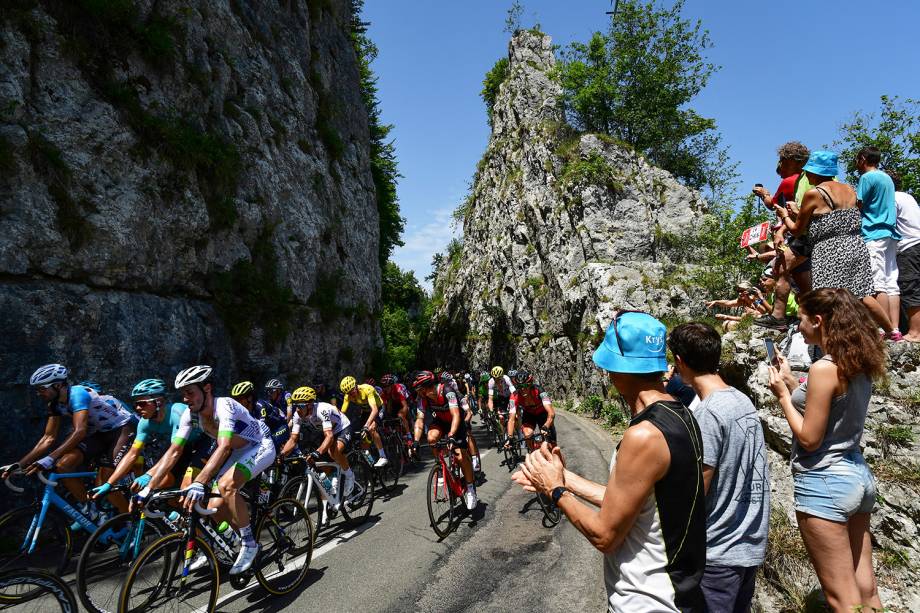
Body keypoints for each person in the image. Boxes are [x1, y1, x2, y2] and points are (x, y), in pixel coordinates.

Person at [513, 311, 706, 612]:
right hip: (676, 596)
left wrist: (555, 491)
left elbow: (605, 535)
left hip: (647, 602)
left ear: (620, 369)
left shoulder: (644, 436)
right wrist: (564, 477)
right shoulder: (680, 415)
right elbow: (629, 503)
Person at [767, 288, 885, 612]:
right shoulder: (856, 360)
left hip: (824, 482)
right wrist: (792, 383)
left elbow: (809, 438)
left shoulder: (823, 369)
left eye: (802, 319)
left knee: (841, 599)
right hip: (857, 477)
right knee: (866, 589)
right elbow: (829, 410)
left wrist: (780, 395)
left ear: (818, 320)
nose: (800, 326)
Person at [668, 323, 770, 612]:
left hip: (718, 553)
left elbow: (698, 488)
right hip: (747, 546)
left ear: (680, 361)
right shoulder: (742, 400)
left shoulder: (709, 414)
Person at [140, 365, 275, 575]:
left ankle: (250, 544)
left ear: (207, 389)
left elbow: (224, 446)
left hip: (260, 446)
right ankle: (235, 539)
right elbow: (174, 451)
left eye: (190, 392)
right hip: (239, 452)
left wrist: (199, 481)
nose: (185, 398)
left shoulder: (225, 407)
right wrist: (148, 487)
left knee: (226, 486)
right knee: (214, 506)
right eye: (183, 393)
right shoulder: (190, 414)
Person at [775, 150, 894, 334]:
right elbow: (832, 217)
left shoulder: (813, 193)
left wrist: (784, 215)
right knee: (864, 295)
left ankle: (833, 339)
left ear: (815, 172)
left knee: (827, 297)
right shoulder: (849, 189)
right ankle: (891, 331)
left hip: (829, 249)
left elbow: (797, 230)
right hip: (855, 245)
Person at [2, 364, 136, 514]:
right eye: (37, 389)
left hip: (122, 429)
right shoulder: (54, 405)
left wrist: (49, 458)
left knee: (104, 481)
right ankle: (93, 511)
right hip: (99, 434)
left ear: (58, 385)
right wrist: (19, 464)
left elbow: (80, 431)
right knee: (63, 465)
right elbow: (48, 438)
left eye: (42, 388)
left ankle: (131, 521)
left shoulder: (77, 394)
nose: (39, 393)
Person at [90, 379, 207, 500]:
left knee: (186, 487)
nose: (138, 408)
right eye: (135, 405)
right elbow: (132, 454)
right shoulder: (144, 423)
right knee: (160, 488)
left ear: (159, 402)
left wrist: (148, 475)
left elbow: (175, 452)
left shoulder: (178, 412)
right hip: (181, 447)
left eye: (142, 403)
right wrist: (109, 483)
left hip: (202, 444)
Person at [754, 141, 813, 329]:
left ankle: (778, 316)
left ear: (792, 161)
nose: (780, 165)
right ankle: (809, 316)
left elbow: (772, 204)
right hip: (803, 233)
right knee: (803, 280)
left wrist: (764, 193)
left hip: (795, 233)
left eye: (783, 161)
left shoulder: (789, 181)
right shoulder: (809, 180)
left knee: (780, 268)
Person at [411, 370, 478, 510]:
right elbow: (419, 419)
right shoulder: (423, 398)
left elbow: (455, 415)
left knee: (460, 456)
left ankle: (470, 487)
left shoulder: (447, 390)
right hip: (440, 422)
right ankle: (440, 466)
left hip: (456, 423)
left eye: (419, 389)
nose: (418, 392)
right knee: (431, 437)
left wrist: (452, 435)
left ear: (426, 387)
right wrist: (415, 441)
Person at [857, 146, 902, 339]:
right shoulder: (887, 178)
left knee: (877, 284)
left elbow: (858, 204)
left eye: (857, 159)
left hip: (873, 232)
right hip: (890, 233)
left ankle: (882, 329)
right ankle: (896, 328)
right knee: (891, 282)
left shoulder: (866, 178)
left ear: (864, 158)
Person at [282, 386, 355, 497]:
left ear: (310, 405)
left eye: (300, 406)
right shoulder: (298, 415)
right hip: (325, 431)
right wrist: (281, 455)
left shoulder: (322, 410)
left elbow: (329, 436)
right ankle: (334, 477)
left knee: (333, 452)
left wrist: (318, 452)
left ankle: (349, 475)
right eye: (295, 406)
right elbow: (293, 439)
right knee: (318, 463)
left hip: (342, 428)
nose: (297, 409)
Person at [888, 169, 920, 341]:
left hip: (908, 247)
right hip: (916, 243)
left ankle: (915, 332)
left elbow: (887, 222)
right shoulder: (907, 196)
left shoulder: (892, 198)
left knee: (910, 287)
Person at [340, 376, 389, 467]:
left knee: (371, 429)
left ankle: (383, 456)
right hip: (366, 412)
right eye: (348, 393)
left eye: (352, 391)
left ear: (356, 386)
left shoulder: (367, 389)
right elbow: (342, 413)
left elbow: (374, 410)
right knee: (362, 438)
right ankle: (371, 466)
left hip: (378, 409)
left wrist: (367, 425)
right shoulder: (348, 396)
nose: (351, 394)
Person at [231, 380, 292, 455]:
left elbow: (262, 429)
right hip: (270, 429)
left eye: (240, 399)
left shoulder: (260, 406)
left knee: (268, 444)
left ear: (249, 398)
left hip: (280, 427)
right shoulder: (243, 409)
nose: (237, 402)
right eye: (235, 399)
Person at [506, 371, 556, 451]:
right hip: (529, 414)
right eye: (520, 386)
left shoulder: (539, 391)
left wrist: (546, 426)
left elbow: (551, 413)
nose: (523, 389)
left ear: (531, 384)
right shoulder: (514, 396)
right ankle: (534, 452)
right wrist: (510, 437)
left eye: (526, 386)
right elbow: (511, 419)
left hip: (542, 414)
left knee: (552, 446)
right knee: (527, 434)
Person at [380, 373, 414, 444]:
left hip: (405, 401)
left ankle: (409, 435)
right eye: (383, 386)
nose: (385, 388)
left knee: (400, 415)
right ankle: (397, 434)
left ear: (392, 385)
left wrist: (402, 417)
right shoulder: (384, 392)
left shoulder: (398, 389)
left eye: (386, 386)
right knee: (388, 412)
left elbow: (404, 406)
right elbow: (383, 407)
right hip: (394, 403)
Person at [487, 366, 516, 436]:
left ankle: (519, 433)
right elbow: (490, 399)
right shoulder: (491, 382)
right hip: (501, 398)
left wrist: (514, 406)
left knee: (516, 415)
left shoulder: (506, 379)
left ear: (502, 376)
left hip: (510, 396)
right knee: (501, 417)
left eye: (498, 378)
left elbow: (514, 393)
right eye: (495, 378)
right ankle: (504, 435)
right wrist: (491, 411)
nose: (496, 380)